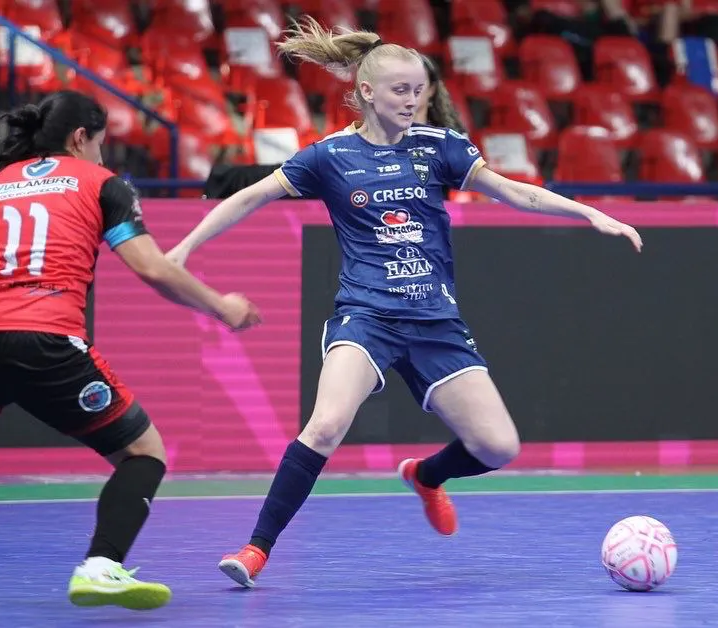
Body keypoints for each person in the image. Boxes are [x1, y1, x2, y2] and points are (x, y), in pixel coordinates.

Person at [165, 17, 643, 588]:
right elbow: (249, 197)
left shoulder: (439, 149)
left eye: (419, 90)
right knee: (325, 426)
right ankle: (254, 550)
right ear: (367, 92)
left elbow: (515, 191)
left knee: (498, 446)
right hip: (365, 316)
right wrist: (187, 245)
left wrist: (591, 212)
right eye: (400, 90)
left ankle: (426, 476)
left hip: (435, 320)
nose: (413, 100)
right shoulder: (329, 156)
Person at [0, 90, 261, 611]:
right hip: (44, 337)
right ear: (81, 138)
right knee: (144, 453)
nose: (103, 155)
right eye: (101, 143)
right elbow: (151, 268)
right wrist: (222, 307)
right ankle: (102, 566)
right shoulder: (104, 185)